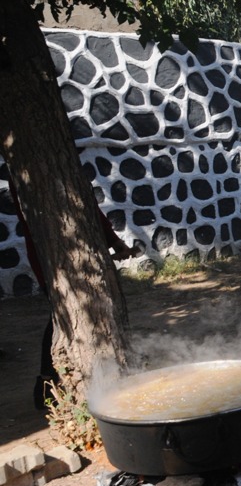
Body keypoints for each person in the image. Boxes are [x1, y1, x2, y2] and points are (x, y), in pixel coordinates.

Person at [5, 173, 140, 408]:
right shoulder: (25, 172)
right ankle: (49, 384)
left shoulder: (62, 164)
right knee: (64, 315)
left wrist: (113, 240)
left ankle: (96, 374)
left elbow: (85, 205)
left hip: (80, 251)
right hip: (52, 256)